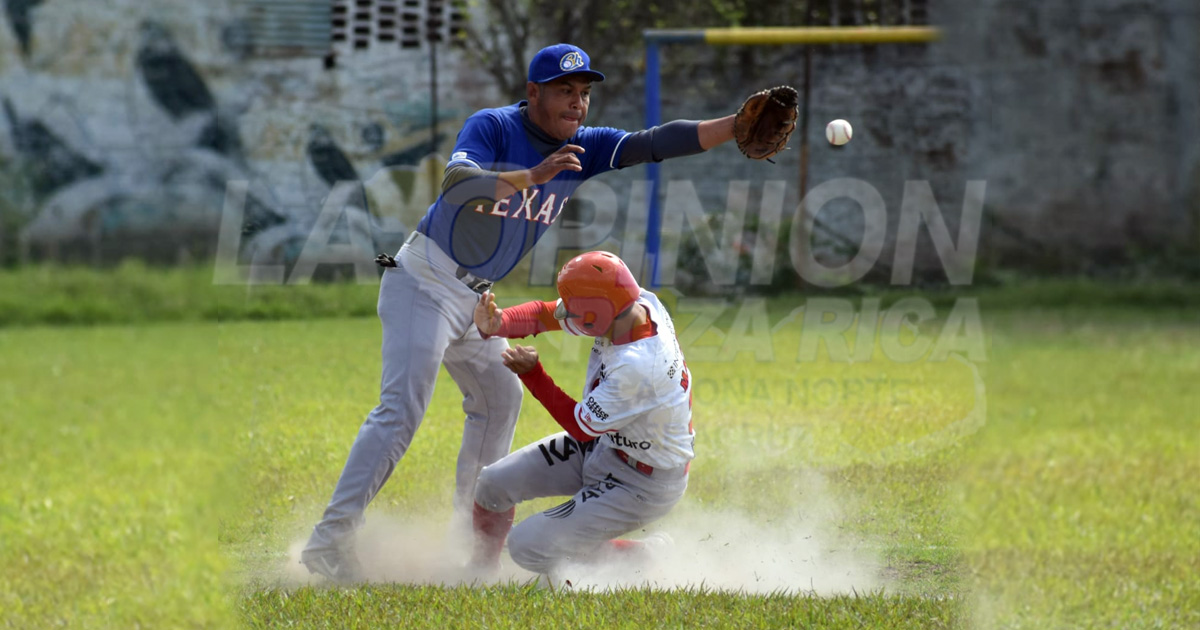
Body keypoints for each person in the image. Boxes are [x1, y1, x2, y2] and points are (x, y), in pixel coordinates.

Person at [300, 42, 739, 581]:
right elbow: (457, 186)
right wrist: (532, 176)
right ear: (533, 93)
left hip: (476, 301)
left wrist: (736, 126)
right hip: (424, 281)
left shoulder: (583, 145)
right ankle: (329, 541)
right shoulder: (493, 127)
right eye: (563, 91)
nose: (577, 103)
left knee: (500, 397)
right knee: (401, 412)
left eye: (583, 93)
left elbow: (655, 142)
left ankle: (471, 543)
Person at [469, 251, 693, 587]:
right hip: (608, 443)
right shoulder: (633, 305)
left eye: (576, 306)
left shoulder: (638, 365)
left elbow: (579, 426)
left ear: (597, 312)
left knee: (528, 547)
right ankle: (480, 573)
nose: (568, 310)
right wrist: (499, 323)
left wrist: (534, 374)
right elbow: (546, 313)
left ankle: (638, 557)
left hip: (643, 482)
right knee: (492, 484)